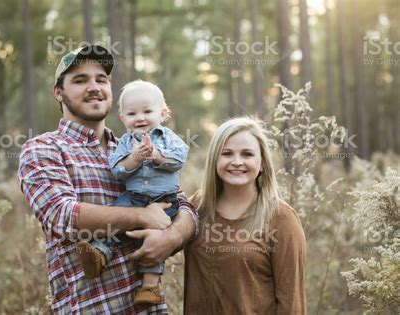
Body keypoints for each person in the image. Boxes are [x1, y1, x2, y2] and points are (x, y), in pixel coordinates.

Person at [17, 45, 198, 314]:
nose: (94, 87)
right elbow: (61, 215)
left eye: (101, 79)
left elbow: (183, 206)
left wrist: (172, 237)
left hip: (150, 308)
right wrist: (142, 216)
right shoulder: (44, 149)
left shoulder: (130, 147)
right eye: (80, 80)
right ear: (59, 92)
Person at [77, 80, 189, 305]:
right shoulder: (126, 143)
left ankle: (150, 286)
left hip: (165, 200)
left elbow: (179, 159)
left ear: (162, 113)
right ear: (122, 118)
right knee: (115, 214)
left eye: (147, 111)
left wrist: (157, 156)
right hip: (134, 197)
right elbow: (117, 169)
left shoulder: (167, 138)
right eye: (132, 113)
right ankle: (100, 253)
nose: (140, 118)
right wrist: (134, 158)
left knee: (154, 239)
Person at [184, 116, 306, 314]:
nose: (237, 162)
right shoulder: (197, 206)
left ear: (263, 163)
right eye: (227, 154)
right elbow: (161, 245)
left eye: (247, 154)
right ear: (215, 159)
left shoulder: (282, 218)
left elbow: (291, 301)